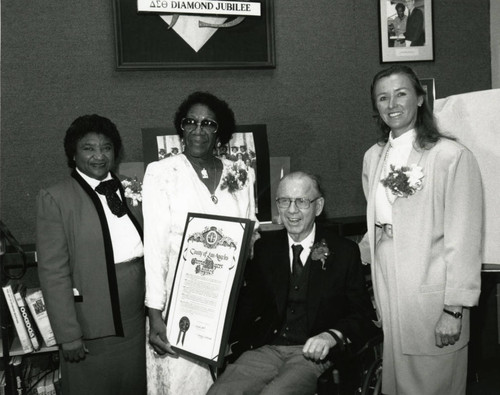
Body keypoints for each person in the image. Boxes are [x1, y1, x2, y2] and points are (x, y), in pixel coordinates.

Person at [359, 65, 483, 394]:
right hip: (391, 287)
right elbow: (376, 225)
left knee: (433, 382)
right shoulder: (373, 157)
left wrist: (453, 310)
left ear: (420, 98)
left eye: (401, 93)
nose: (392, 104)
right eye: (382, 98)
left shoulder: (450, 156)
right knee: (397, 383)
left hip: (433, 290)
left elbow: (465, 241)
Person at [208, 171, 378, 395]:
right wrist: (210, 336)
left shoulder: (344, 252)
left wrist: (331, 336)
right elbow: (248, 307)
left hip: (312, 355)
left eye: (302, 201)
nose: (292, 210)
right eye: (285, 201)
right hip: (266, 348)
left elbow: (363, 315)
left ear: (318, 207)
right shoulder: (265, 250)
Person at [142, 91, 258, 394]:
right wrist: (156, 314)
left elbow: (249, 233)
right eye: (190, 122)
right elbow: (154, 248)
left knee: (230, 384)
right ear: (181, 127)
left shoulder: (241, 173)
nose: (198, 129)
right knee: (184, 386)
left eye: (208, 123)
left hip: (225, 303)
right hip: (178, 302)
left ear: (221, 131)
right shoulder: (161, 173)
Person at [36, 114, 146, 395]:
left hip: (136, 322)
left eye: (106, 147)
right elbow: (53, 273)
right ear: (73, 154)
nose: (99, 155)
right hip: (90, 326)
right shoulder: (55, 198)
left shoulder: (133, 189)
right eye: (88, 148)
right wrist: (68, 334)